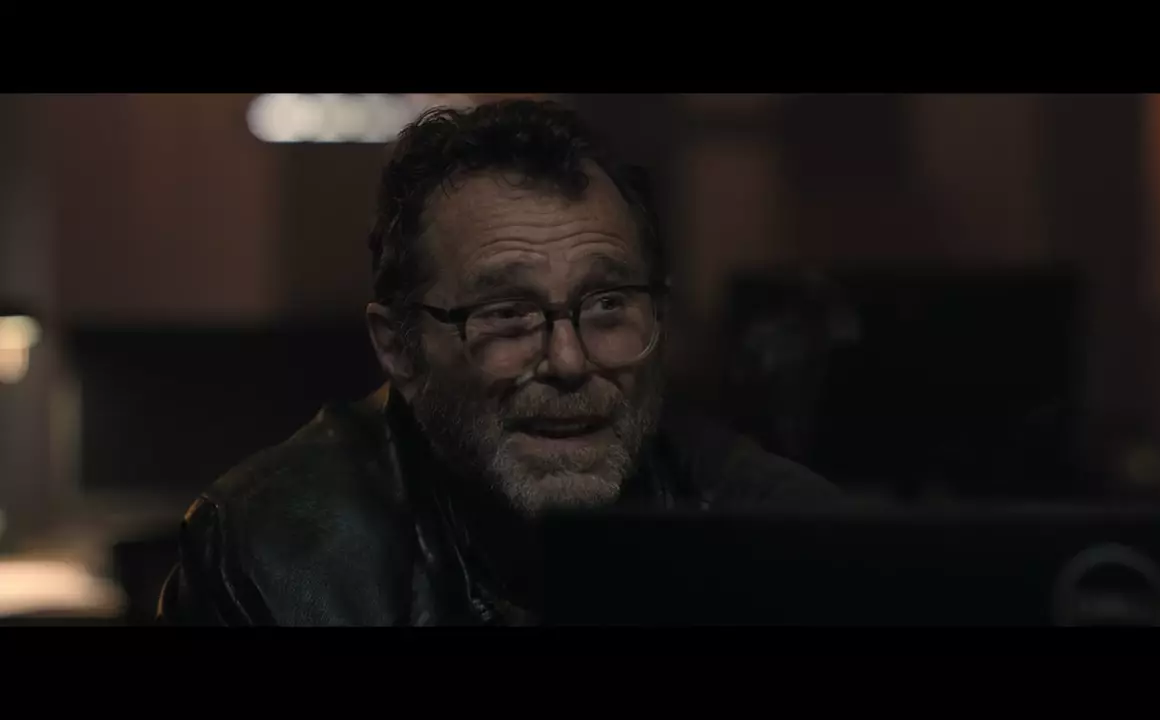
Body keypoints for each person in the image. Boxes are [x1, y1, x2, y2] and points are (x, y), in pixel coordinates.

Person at [156, 99, 842, 626]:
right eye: (508, 313)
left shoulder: (772, 533)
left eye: (607, 304)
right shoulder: (273, 556)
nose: (568, 360)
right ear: (398, 348)